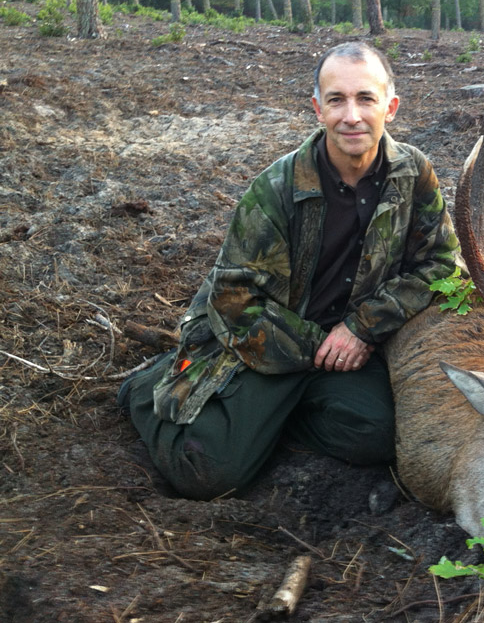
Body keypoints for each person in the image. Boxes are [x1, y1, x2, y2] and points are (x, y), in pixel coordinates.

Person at [119, 42, 459, 500]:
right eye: (336, 100)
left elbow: (441, 264)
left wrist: (363, 327)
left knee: (377, 438)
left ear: (390, 107)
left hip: (344, 346)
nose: (351, 115)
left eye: (366, 99)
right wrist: (325, 345)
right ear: (318, 109)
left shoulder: (413, 173)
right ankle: (144, 389)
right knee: (205, 474)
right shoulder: (275, 189)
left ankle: (265, 421)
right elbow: (234, 300)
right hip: (265, 340)